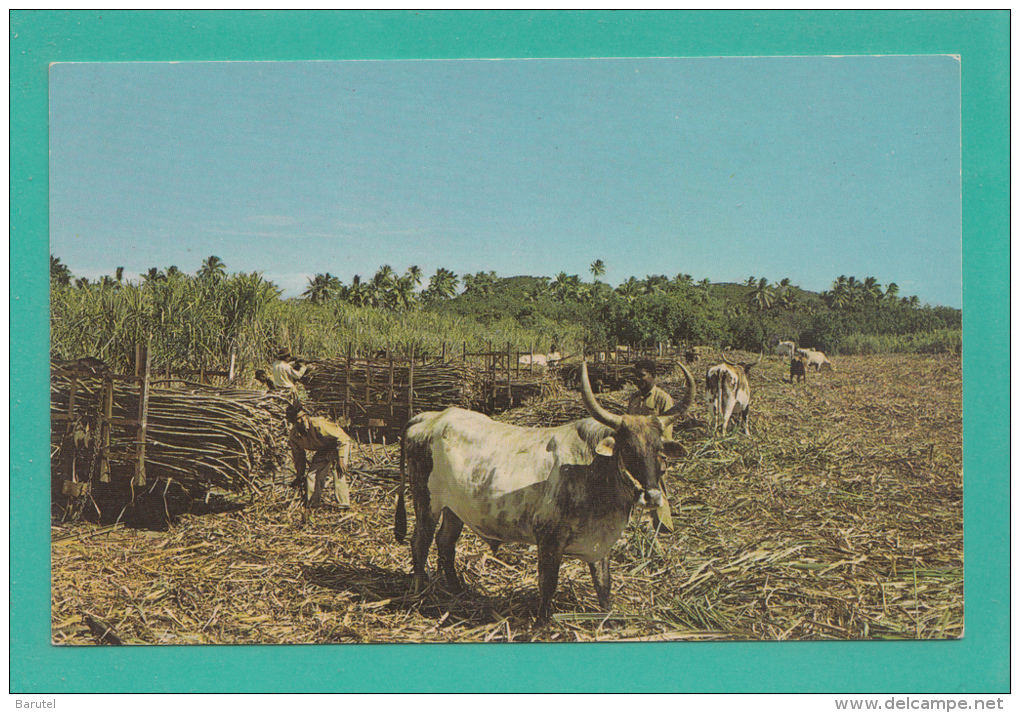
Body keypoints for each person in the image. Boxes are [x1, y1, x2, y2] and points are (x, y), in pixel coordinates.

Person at [627, 359, 675, 533]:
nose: (638, 380)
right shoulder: (633, 398)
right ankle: (631, 524)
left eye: (642, 376)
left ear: (653, 377)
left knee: (657, 486)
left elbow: (666, 433)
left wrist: (661, 459)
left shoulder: (663, 399)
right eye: (636, 376)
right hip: (636, 454)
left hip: (653, 455)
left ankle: (664, 527)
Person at [286, 401, 353, 508]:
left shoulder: (318, 424)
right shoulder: (294, 437)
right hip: (323, 449)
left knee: (339, 472)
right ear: (292, 422)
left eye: (304, 416)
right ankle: (313, 504)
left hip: (338, 445)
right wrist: (299, 475)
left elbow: (342, 438)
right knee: (312, 475)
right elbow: (299, 458)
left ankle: (344, 505)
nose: (303, 420)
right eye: (298, 418)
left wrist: (341, 459)